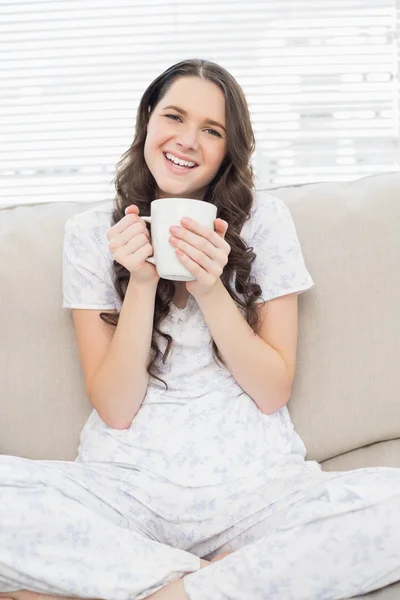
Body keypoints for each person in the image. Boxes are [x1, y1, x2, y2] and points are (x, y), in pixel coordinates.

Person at [1, 58, 400, 600]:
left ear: (228, 150)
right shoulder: (93, 233)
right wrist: (141, 284)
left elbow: (271, 389)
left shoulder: (266, 222)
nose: (188, 141)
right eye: (174, 117)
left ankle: (159, 590)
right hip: (122, 494)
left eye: (211, 131)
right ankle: (217, 579)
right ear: (147, 120)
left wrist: (212, 288)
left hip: (258, 494)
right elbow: (115, 408)